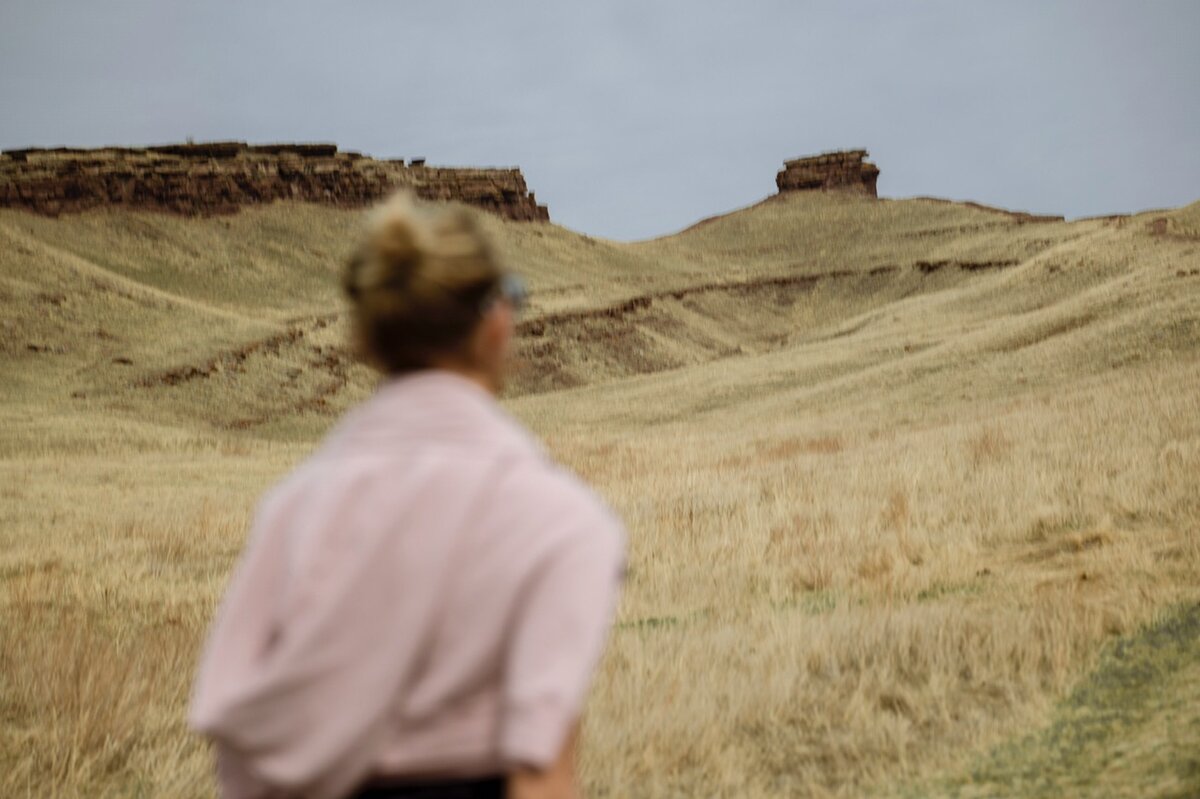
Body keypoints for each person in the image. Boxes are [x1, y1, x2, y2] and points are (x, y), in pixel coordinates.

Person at [189, 193, 626, 799]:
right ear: (496, 322)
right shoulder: (562, 523)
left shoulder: (292, 509)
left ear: (369, 339)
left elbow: (234, 728)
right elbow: (541, 776)